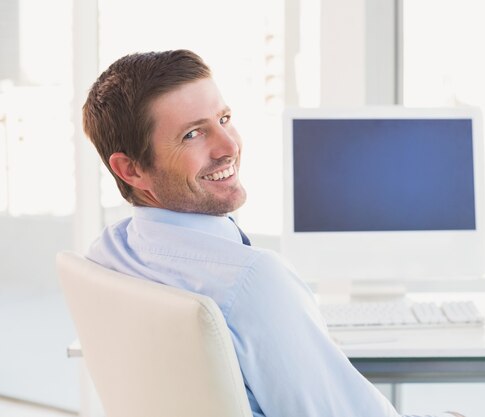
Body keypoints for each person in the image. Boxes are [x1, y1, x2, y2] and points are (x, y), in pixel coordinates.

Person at [82, 49, 465, 417]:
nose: (229, 146)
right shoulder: (251, 282)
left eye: (224, 118)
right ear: (131, 170)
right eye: (193, 135)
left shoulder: (108, 254)